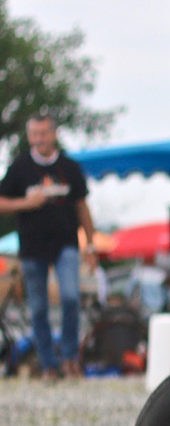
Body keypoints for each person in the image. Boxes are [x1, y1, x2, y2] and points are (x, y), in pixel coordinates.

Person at [0, 115, 96, 378]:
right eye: (34, 134)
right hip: (32, 247)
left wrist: (90, 245)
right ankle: (48, 365)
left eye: (43, 133)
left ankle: (70, 358)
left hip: (66, 243)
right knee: (38, 309)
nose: (39, 139)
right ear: (29, 136)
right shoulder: (20, 167)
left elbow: (82, 207)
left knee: (70, 297)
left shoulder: (70, 167)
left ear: (53, 134)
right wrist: (26, 203)